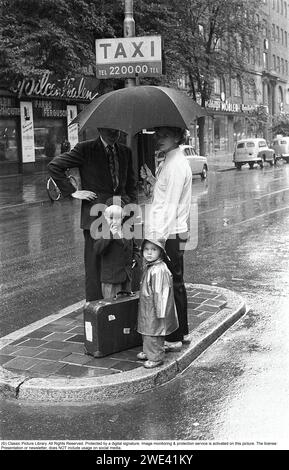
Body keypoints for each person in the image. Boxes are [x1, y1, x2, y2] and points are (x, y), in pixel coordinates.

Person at [47, 128, 137, 301]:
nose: (114, 132)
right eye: (109, 129)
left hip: (122, 216)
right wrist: (73, 191)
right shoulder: (85, 149)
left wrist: (130, 212)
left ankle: (121, 309)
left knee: (124, 264)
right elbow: (54, 166)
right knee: (94, 268)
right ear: (100, 128)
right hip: (95, 219)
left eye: (117, 129)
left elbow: (131, 187)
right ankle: (96, 312)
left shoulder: (125, 151)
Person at [140, 127, 192, 352]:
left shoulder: (175, 165)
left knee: (169, 285)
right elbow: (162, 196)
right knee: (175, 283)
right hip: (172, 231)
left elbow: (169, 205)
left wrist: (156, 241)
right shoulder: (169, 162)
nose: (158, 139)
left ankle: (174, 337)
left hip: (169, 233)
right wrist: (152, 179)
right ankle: (183, 331)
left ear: (178, 137)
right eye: (158, 135)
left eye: (165, 135)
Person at [137, 238, 179, 369]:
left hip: (155, 309)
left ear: (160, 252)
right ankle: (149, 350)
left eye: (153, 249)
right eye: (146, 249)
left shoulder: (159, 270)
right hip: (148, 306)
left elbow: (161, 293)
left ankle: (155, 357)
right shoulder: (151, 266)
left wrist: (160, 312)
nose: (149, 253)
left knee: (153, 332)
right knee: (147, 330)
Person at [94, 204, 139, 299]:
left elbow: (135, 248)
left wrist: (135, 258)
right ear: (105, 218)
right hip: (111, 280)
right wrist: (110, 235)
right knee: (112, 308)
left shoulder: (128, 230)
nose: (114, 221)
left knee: (126, 305)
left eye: (117, 218)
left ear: (122, 218)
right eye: (111, 218)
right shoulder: (102, 232)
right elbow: (97, 250)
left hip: (126, 277)